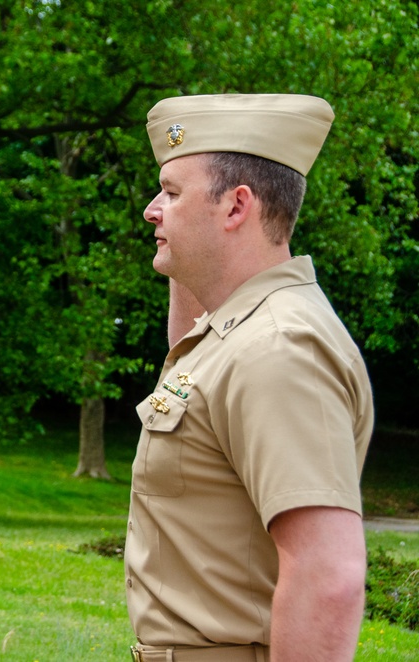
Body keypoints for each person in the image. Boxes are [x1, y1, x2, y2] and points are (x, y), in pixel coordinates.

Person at [125, 94, 374, 662]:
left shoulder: (278, 349)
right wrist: (187, 251)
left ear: (236, 207)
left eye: (170, 192)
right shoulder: (241, 332)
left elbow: (327, 576)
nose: (150, 209)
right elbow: (191, 352)